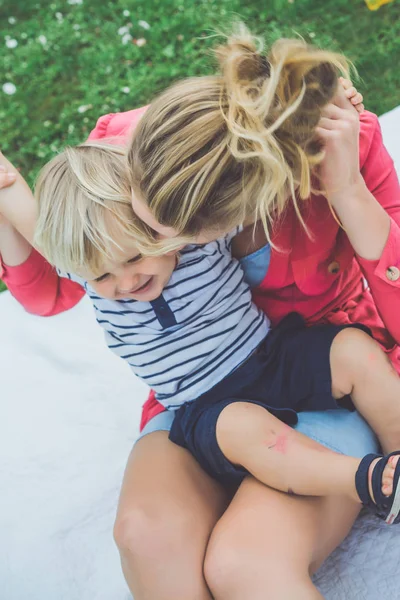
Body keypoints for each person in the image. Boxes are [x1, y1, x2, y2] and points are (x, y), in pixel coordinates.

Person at [0, 31, 396, 600]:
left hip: (295, 370)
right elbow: (59, 258)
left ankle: (382, 476)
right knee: (142, 534)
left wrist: (346, 188)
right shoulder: (127, 173)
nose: (127, 281)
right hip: (194, 402)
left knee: (244, 563)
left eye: (156, 242)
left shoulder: (288, 172)